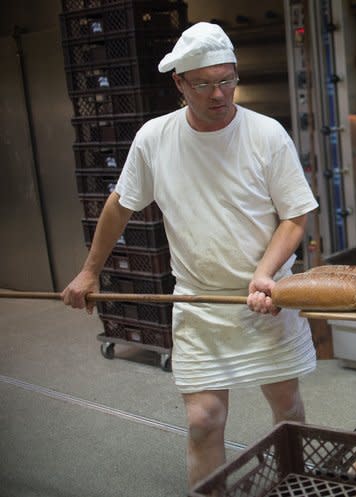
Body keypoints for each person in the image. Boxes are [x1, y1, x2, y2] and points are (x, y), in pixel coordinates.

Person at [62, 22, 319, 489]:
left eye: (227, 80)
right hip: (200, 303)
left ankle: (297, 484)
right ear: (179, 83)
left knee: (287, 409)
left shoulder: (266, 134)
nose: (219, 94)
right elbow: (121, 205)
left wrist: (264, 274)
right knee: (204, 419)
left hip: (267, 299)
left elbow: (295, 216)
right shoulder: (155, 139)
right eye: (203, 84)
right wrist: (89, 272)